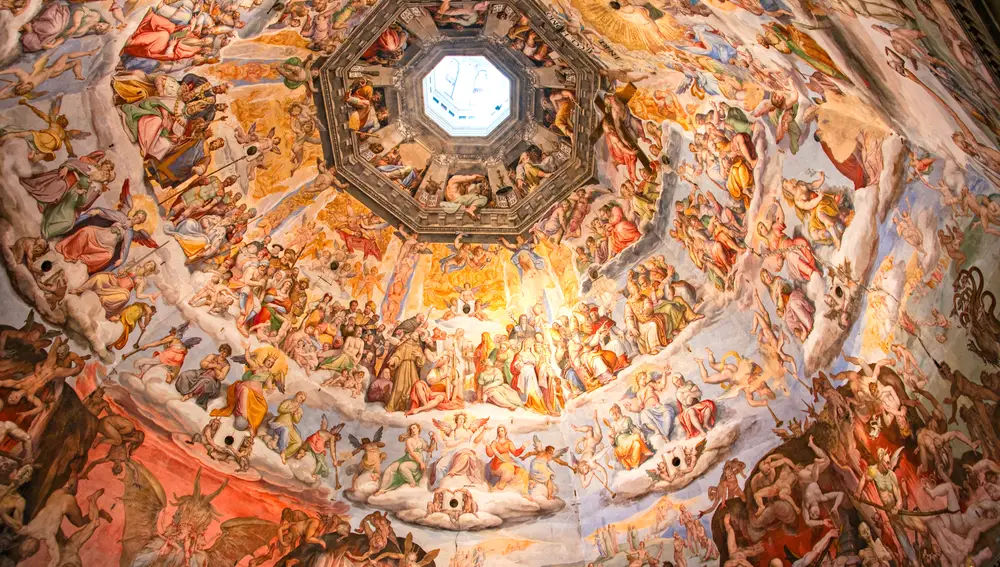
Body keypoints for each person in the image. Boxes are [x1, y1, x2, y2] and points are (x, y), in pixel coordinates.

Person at [211, 350, 282, 436]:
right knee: (245, 391)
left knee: (263, 408)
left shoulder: (269, 375)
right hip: (245, 387)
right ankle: (243, 414)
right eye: (269, 360)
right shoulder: (257, 367)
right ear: (265, 360)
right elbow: (248, 359)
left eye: (272, 362)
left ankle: (251, 426)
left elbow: (269, 385)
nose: (269, 363)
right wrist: (247, 349)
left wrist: (271, 390)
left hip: (256, 395)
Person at [374, 424, 435, 494]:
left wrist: (433, 440)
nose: (412, 430)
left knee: (403, 467)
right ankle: (382, 490)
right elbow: (411, 453)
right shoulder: (409, 440)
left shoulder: (422, 441)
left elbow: (429, 449)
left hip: (416, 462)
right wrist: (421, 462)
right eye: (411, 429)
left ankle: (412, 482)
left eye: (414, 428)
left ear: (418, 429)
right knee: (389, 469)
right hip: (407, 458)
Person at [608, 403, 653, 470]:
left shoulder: (627, 419)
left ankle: (634, 463)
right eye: (612, 415)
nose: (613, 416)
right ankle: (646, 451)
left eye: (613, 414)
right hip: (622, 445)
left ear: (617, 412)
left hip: (630, 440)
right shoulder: (613, 424)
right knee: (636, 436)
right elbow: (612, 442)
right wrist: (611, 436)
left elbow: (633, 428)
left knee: (637, 444)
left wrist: (641, 433)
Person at [485, 426, 528, 492]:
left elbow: (516, 453)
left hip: (508, 462)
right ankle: (500, 485)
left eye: (502, 431)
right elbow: (490, 454)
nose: (500, 432)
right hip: (497, 464)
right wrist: (488, 447)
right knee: (510, 468)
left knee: (522, 471)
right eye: (499, 431)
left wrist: (523, 447)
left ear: (505, 432)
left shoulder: (509, 442)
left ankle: (525, 492)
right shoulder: (495, 442)